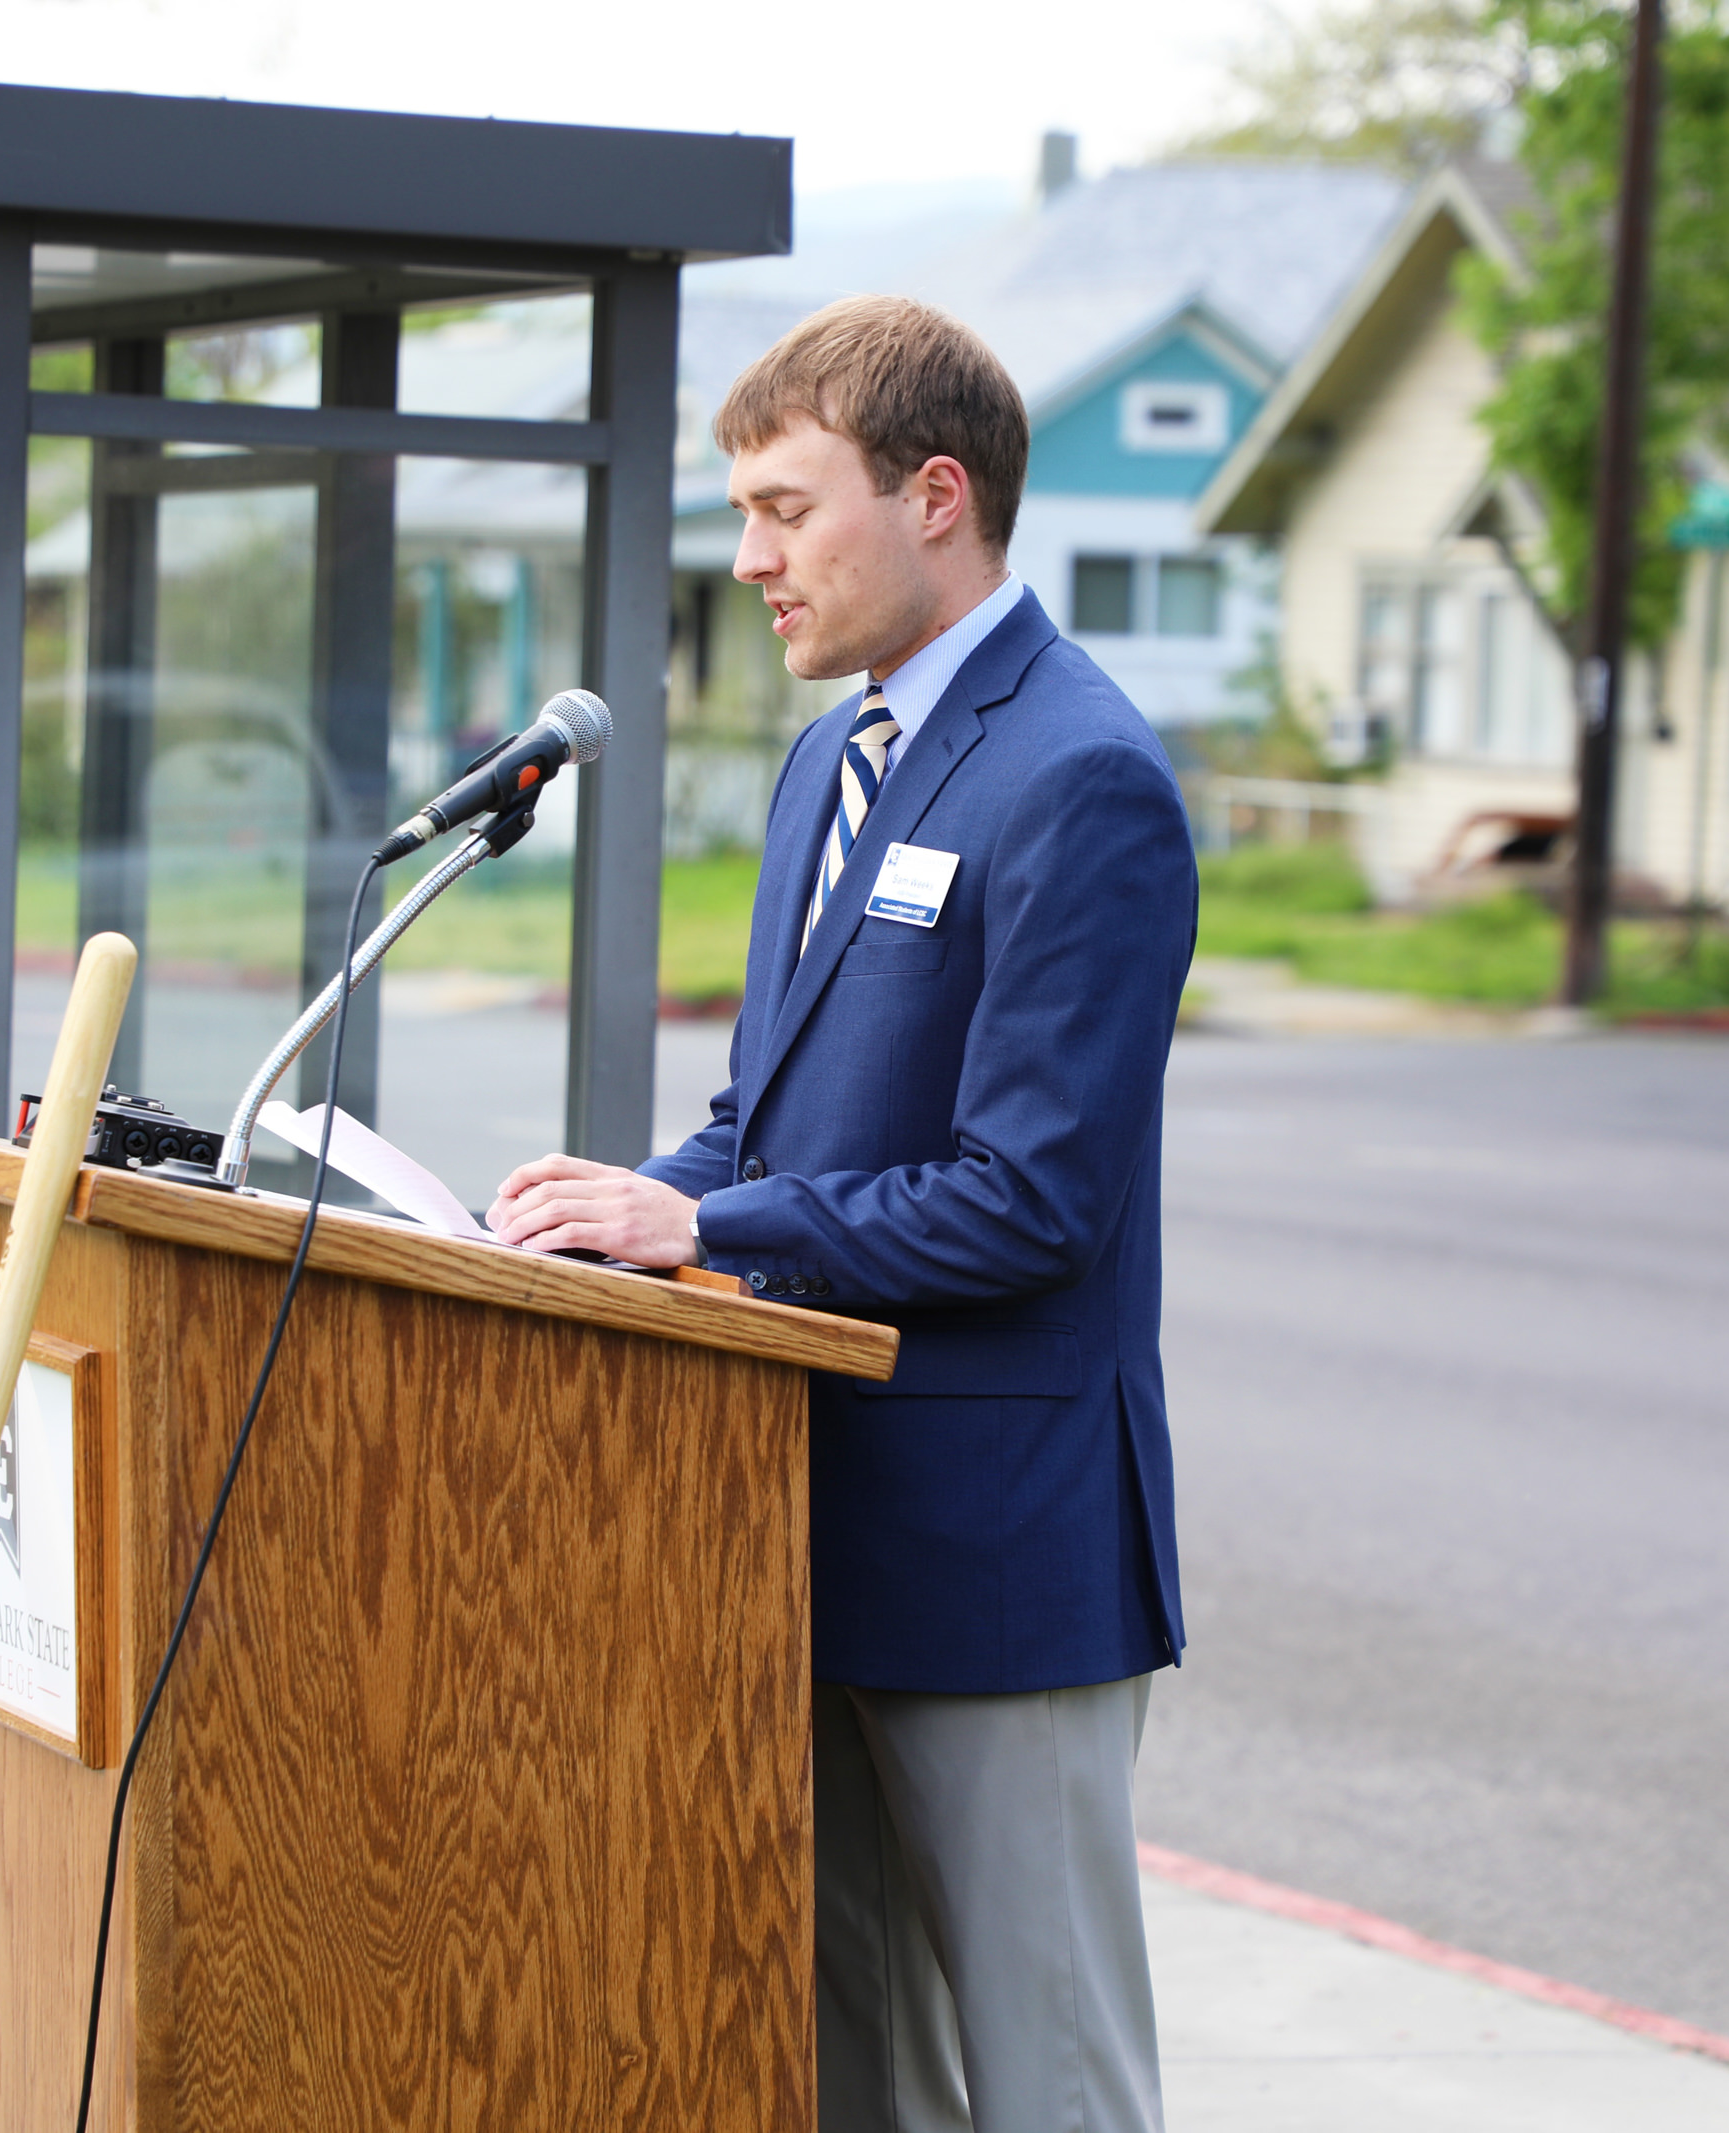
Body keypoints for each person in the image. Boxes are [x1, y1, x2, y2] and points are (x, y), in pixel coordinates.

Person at [489, 295, 1195, 2133]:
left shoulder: (1088, 779)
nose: (751, 560)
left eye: (788, 510)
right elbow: (764, 1115)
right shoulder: (827, 764)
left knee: (1053, 2088)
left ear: (937, 496)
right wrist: (621, 1205)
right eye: (745, 513)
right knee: (844, 2080)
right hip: (796, 1531)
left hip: (1001, 1560)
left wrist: (705, 1237)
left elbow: (1029, 1201)